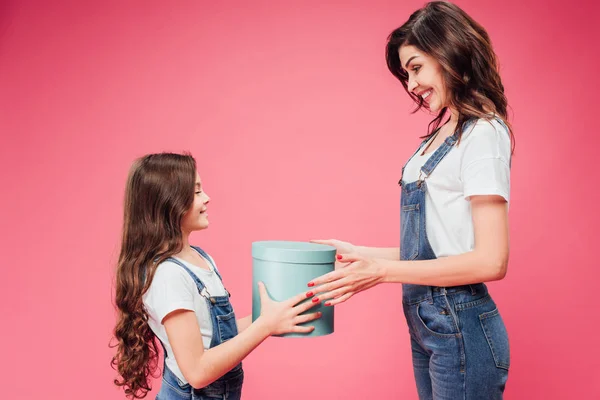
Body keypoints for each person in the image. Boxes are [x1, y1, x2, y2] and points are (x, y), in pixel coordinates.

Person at [309, 2, 513, 398]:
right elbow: (439, 248)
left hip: (460, 324)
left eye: (416, 68)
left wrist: (381, 273)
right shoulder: (439, 136)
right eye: (406, 74)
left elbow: (492, 260)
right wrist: (359, 254)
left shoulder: (483, 133)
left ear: (450, 52)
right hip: (428, 324)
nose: (411, 84)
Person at [111, 153, 321, 399]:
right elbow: (197, 372)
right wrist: (265, 326)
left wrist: (268, 317)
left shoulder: (200, 258)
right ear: (169, 203)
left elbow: (216, 333)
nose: (207, 198)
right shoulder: (168, 275)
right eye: (197, 192)